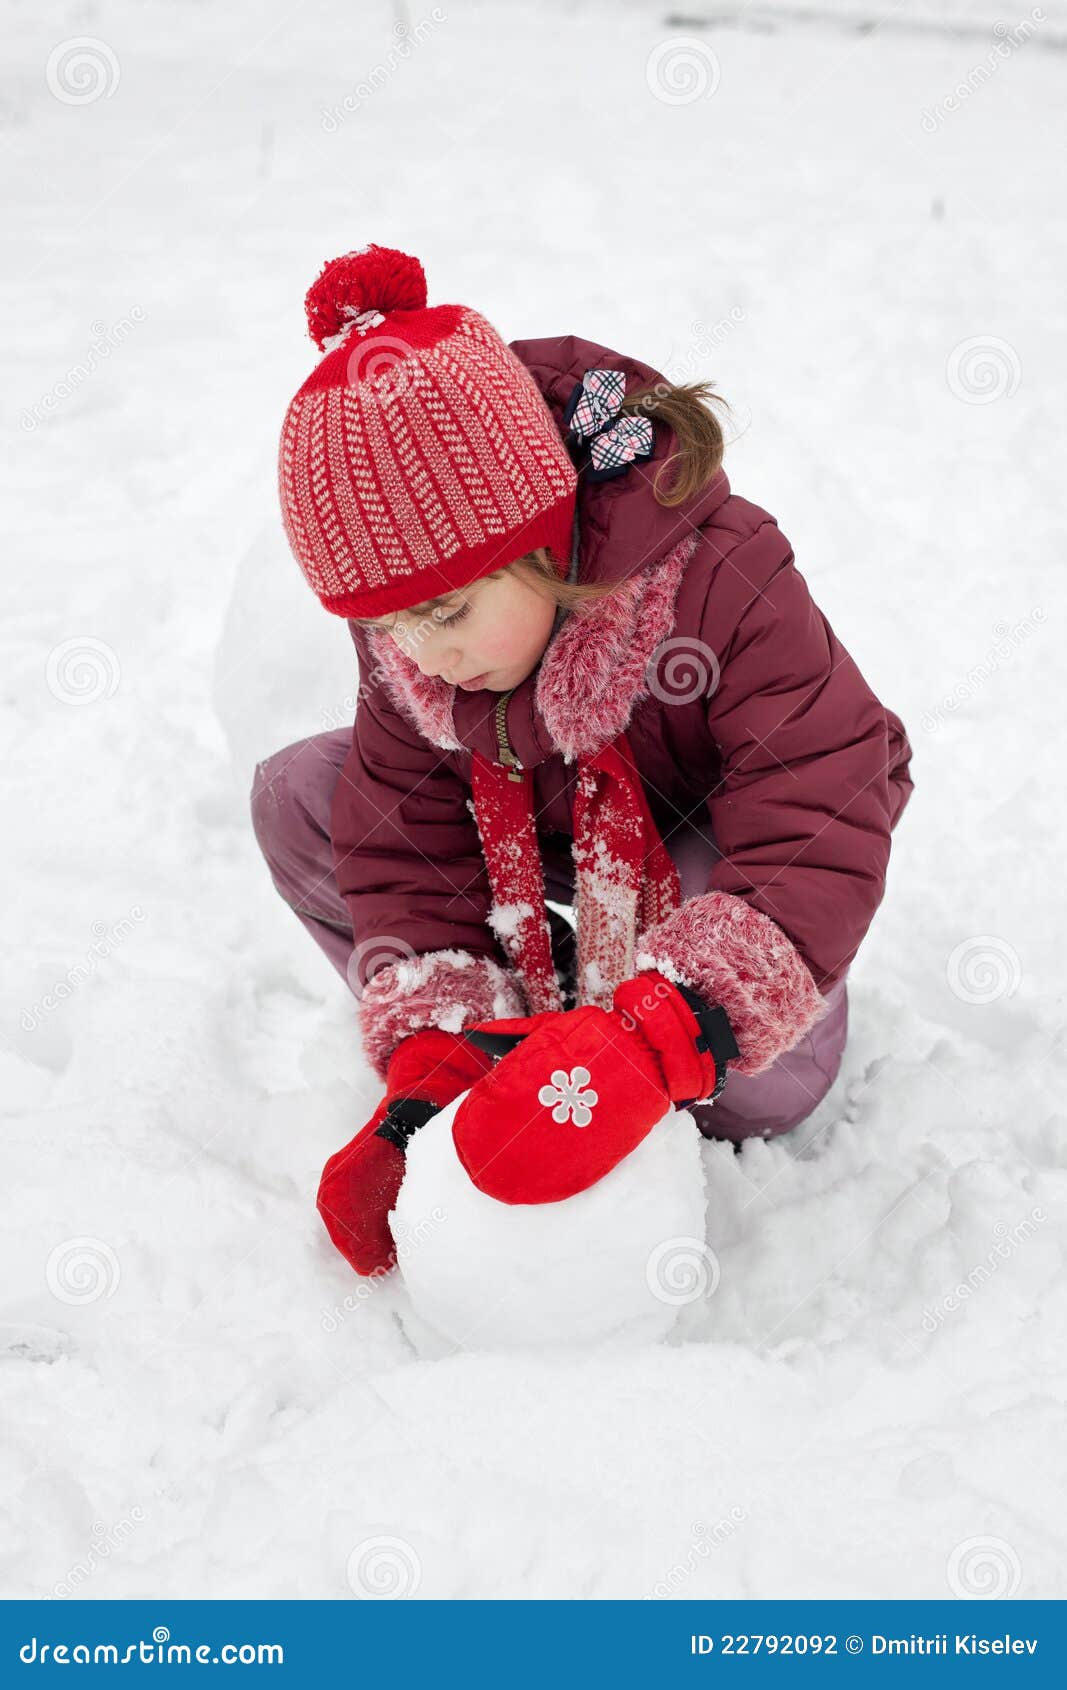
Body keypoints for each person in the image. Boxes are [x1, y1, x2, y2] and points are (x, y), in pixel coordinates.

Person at [252, 242, 914, 1277]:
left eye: (445, 611)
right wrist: (435, 1063)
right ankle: (523, 1025)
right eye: (386, 626)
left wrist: (653, 1035)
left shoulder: (719, 581)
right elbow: (400, 836)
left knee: (758, 1096)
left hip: (711, 854)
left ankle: (647, 1024)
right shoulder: (424, 645)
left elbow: (818, 801)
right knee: (299, 792)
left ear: (537, 532)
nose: (420, 652)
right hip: (553, 833)